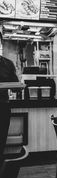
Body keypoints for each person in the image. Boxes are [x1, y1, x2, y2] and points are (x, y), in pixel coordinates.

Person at [0, 33, 19, 165]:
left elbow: (16, 86)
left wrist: (19, 86)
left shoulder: (8, 64)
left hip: (3, 107)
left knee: (1, 140)